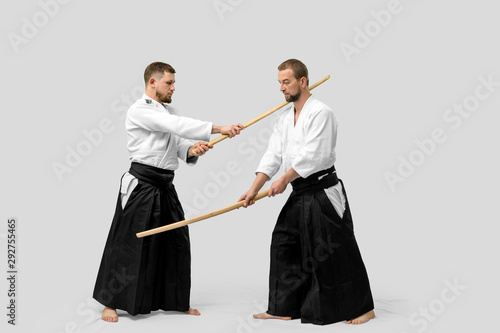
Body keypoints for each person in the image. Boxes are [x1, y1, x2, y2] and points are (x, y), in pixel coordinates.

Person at [93, 62, 244, 322]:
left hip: (165, 185)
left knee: (176, 241)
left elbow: (179, 143)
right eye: (169, 83)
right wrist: (219, 129)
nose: (173, 88)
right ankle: (111, 302)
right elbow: (176, 126)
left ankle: (173, 299)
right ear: (152, 82)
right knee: (129, 243)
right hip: (141, 184)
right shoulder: (139, 110)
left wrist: (192, 150)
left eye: (174, 83)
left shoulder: (169, 111)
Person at [239, 59, 375, 325]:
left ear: (302, 81)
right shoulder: (283, 118)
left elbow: (315, 156)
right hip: (300, 191)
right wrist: (253, 189)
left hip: (322, 189)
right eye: (279, 83)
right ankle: (283, 306)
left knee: (334, 247)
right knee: (284, 242)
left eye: (286, 82)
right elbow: (273, 156)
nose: (281, 88)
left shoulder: (321, 112)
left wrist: (283, 180)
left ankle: (363, 307)